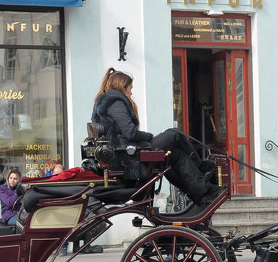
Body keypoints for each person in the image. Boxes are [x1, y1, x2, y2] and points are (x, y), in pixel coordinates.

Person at [91, 68, 220, 208]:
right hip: (131, 156)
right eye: (130, 88)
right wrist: (150, 136)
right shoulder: (115, 102)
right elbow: (130, 133)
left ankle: (200, 192)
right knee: (174, 134)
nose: (131, 92)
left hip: (129, 152)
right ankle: (200, 166)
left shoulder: (108, 101)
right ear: (122, 86)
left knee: (175, 155)